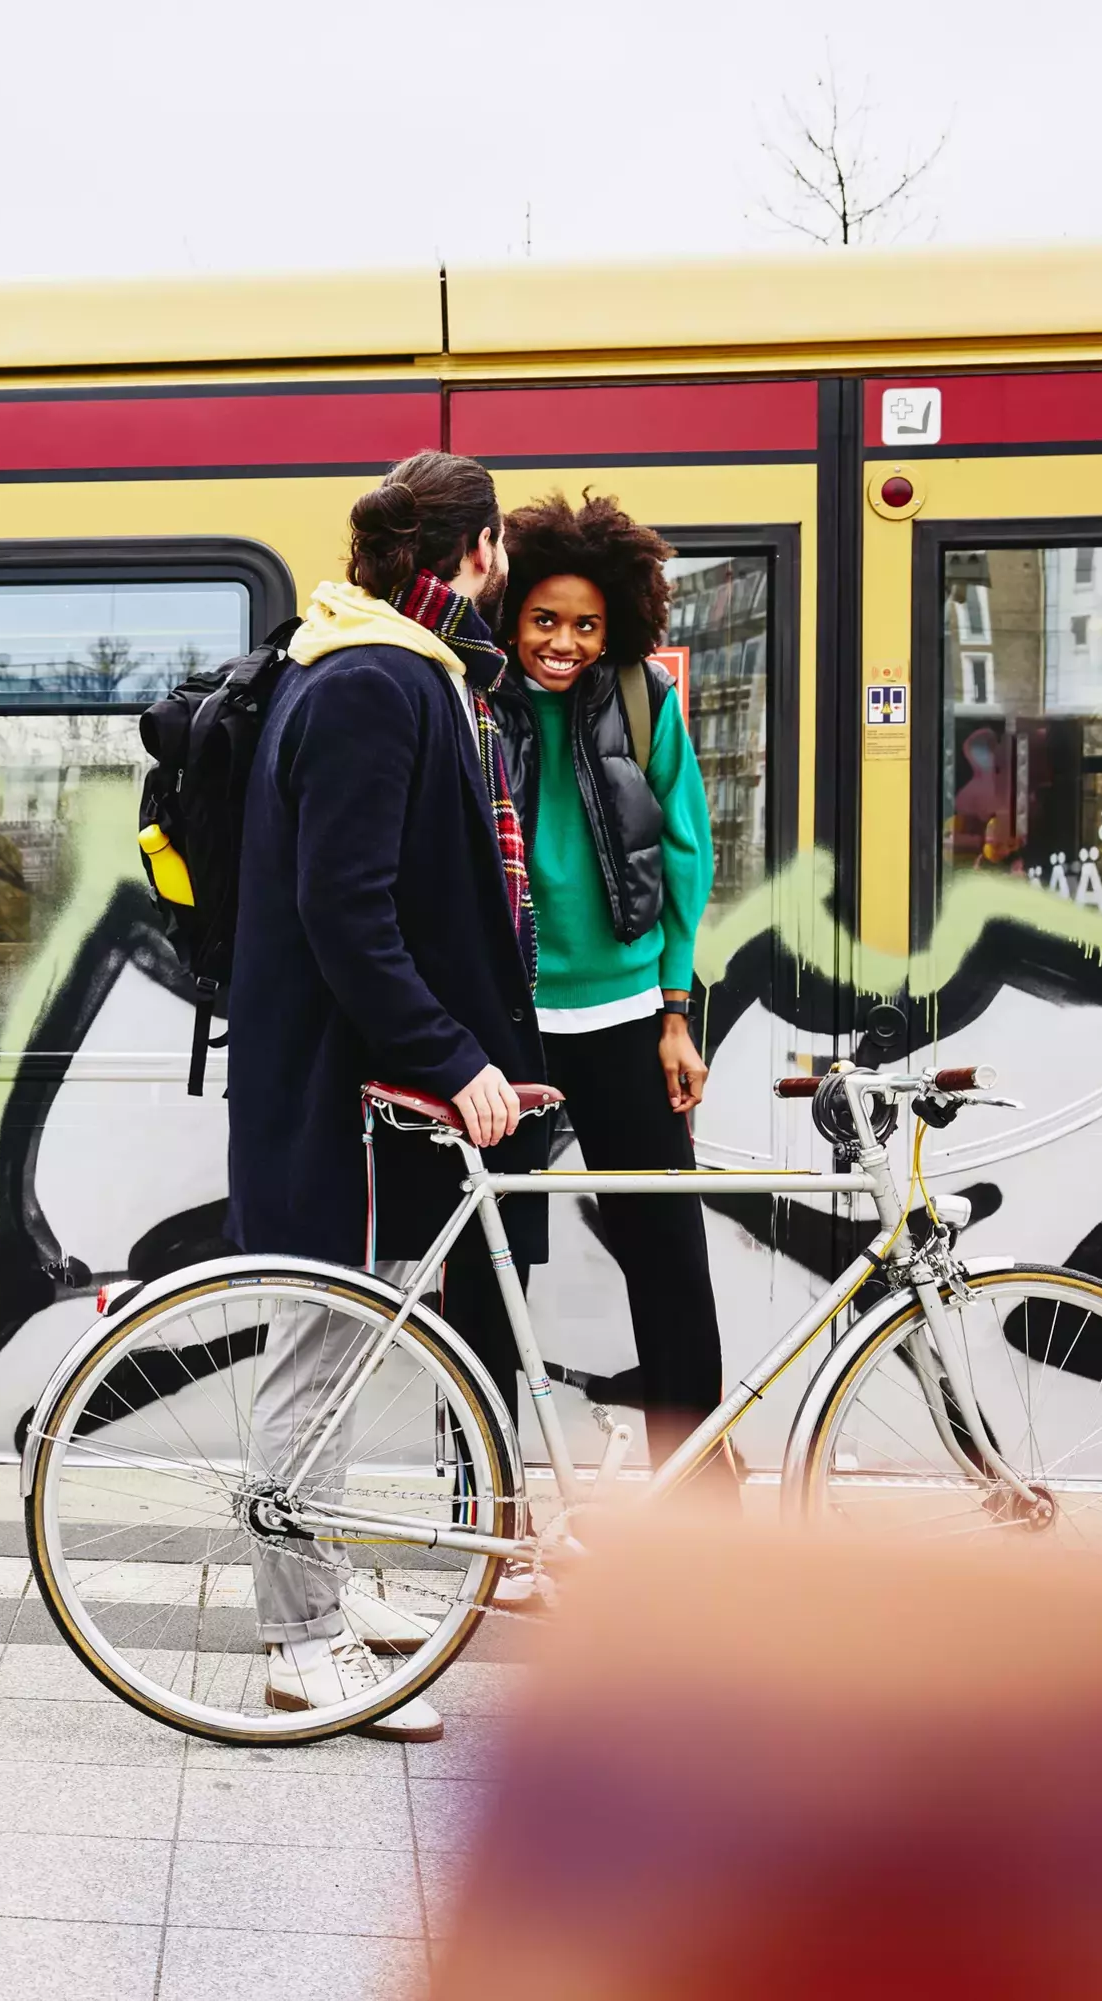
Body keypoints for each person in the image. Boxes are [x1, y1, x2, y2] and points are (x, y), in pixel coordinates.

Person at [228, 450, 551, 1741]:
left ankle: (327, 1589)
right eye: (501, 551)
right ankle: (302, 1638)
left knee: (349, 1342)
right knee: (321, 1348)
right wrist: (455, 1057)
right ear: (474, 556)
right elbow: (346, 912)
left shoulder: (372, 666)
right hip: (340, 1094)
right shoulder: (373, 682)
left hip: (357, 1086)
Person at [488, 493, 724, 1473]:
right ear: (512, 615)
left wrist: (675, 1012)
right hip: (507, 1025)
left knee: (667, 1254)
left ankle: (695, 1490)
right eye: (545, 619)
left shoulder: (642, 700)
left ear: (614, 624)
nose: (564, 642)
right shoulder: (474, 698)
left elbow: (688, 856)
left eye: (586, 624)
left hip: (627, 1015)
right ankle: (485, 1497)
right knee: (493, 1268)